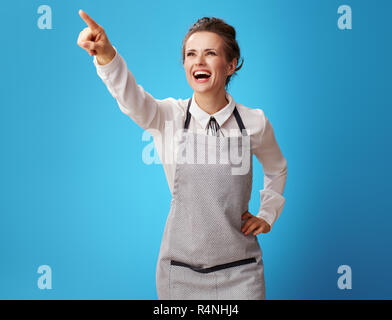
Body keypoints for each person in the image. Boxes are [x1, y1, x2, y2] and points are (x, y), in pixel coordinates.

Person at [77, 9, 287, 300]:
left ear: (231, 65)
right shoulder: (167, 116)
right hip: (181, 272)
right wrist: (107, 54)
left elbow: (277, 168)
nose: (198, 61)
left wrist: (268, 213)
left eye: (210, 53)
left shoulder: (254, 122)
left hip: (241, 271)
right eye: (191, 54)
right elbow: (130, 97)